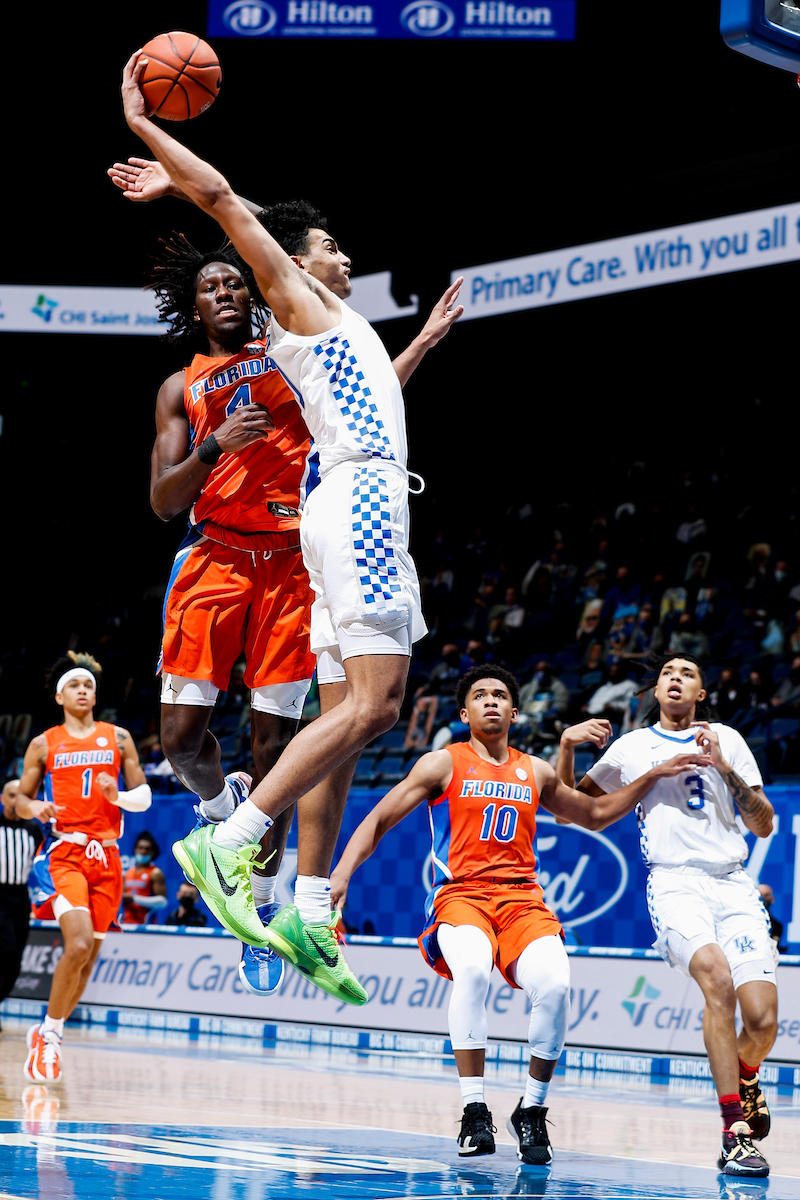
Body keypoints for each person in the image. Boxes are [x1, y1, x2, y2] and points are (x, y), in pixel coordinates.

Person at [119, 53, 464, 1005]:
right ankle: (230, 840)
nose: (346, 255)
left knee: (346, 719)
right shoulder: (301, 307)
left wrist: (423, 342)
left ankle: (309, 907)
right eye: (331, 246)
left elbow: (371, 395)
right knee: (377, 707)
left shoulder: (330, 331)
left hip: (333, 517)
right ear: (296, 266)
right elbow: (231, 201)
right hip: (353, 507)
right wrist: (147, 128)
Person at [329, 664, 709, 1164]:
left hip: (523, 901)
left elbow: (593, 814)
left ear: (514, 712)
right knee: (472, 971)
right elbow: (379, 818)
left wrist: (653, 775)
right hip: (460, 895)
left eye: (500, 695)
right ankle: (474, 1111)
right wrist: (342, 874)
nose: (491, 700)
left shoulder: (537, 770)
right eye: (480, 695)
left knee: (555, 985)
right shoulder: (442, 763)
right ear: (464, 713)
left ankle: (531, 1110)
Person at [557, 654, 776, 1178]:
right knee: (716, 981)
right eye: (667, 673)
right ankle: (734, 1134)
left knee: (763, 1021)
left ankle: (746, 1073)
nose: (675, 678)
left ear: (701, 693)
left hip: (733, 883)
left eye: (688, 674)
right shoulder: (633, 747)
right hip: (675, 883)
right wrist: (566, 747)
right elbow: (568, 811)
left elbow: (764, 824)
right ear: (656, 691)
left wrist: (723, 766)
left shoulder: (728, 739)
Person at [14, 653, 151, 1082]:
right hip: (64, 853)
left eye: (88, 685)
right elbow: (20, 800)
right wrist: (34, 807)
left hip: (107, 858)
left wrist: (117, 798)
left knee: (87, 961)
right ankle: (51, 1036)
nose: (83, 690)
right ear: (60, 696)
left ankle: (46, 1031)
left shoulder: (119, 738)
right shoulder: (44, 743)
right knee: (76, 946)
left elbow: (144, 796)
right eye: (74, 685)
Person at [0, 779, 44, 1011]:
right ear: (2, 798)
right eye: (11, 795)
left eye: (20, 795)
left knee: (16, 958)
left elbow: (44, 863)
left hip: (20, 896)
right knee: (5, 949)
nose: (15, 800)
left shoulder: (33, 829)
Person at [121, 832, 167, 925]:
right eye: (140, 848)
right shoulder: (128, 873)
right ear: (135, 850)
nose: (143, 851)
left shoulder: (155, 873)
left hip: (146, 925)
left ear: (152, 852)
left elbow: (163, 902)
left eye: (147, 849)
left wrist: (134, 899)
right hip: (126, 924)